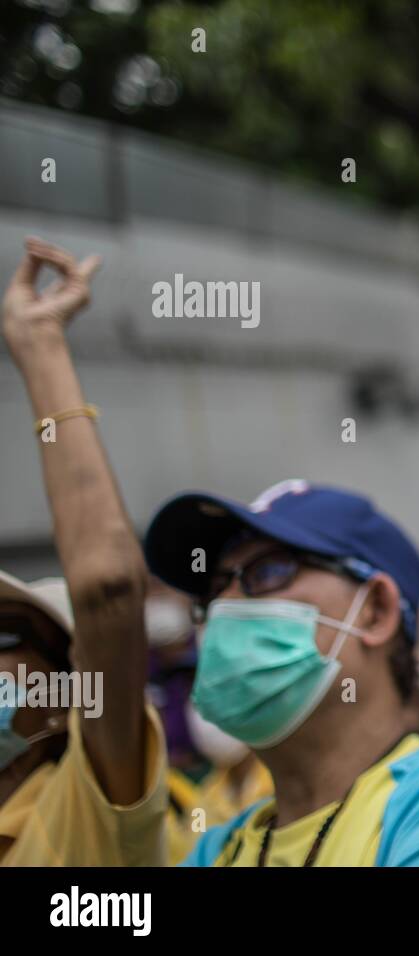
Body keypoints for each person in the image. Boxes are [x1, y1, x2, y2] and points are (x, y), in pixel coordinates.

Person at [143, 479, 419, 865]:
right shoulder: (215, 851)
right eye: (213, 591)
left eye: (267, 572)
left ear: (376, 611)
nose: (224, 608)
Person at [1, 237, 168, 865]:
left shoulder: (92, 811)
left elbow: (107, 590)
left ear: (73, 692)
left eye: (4, 640)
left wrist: (40, 345)